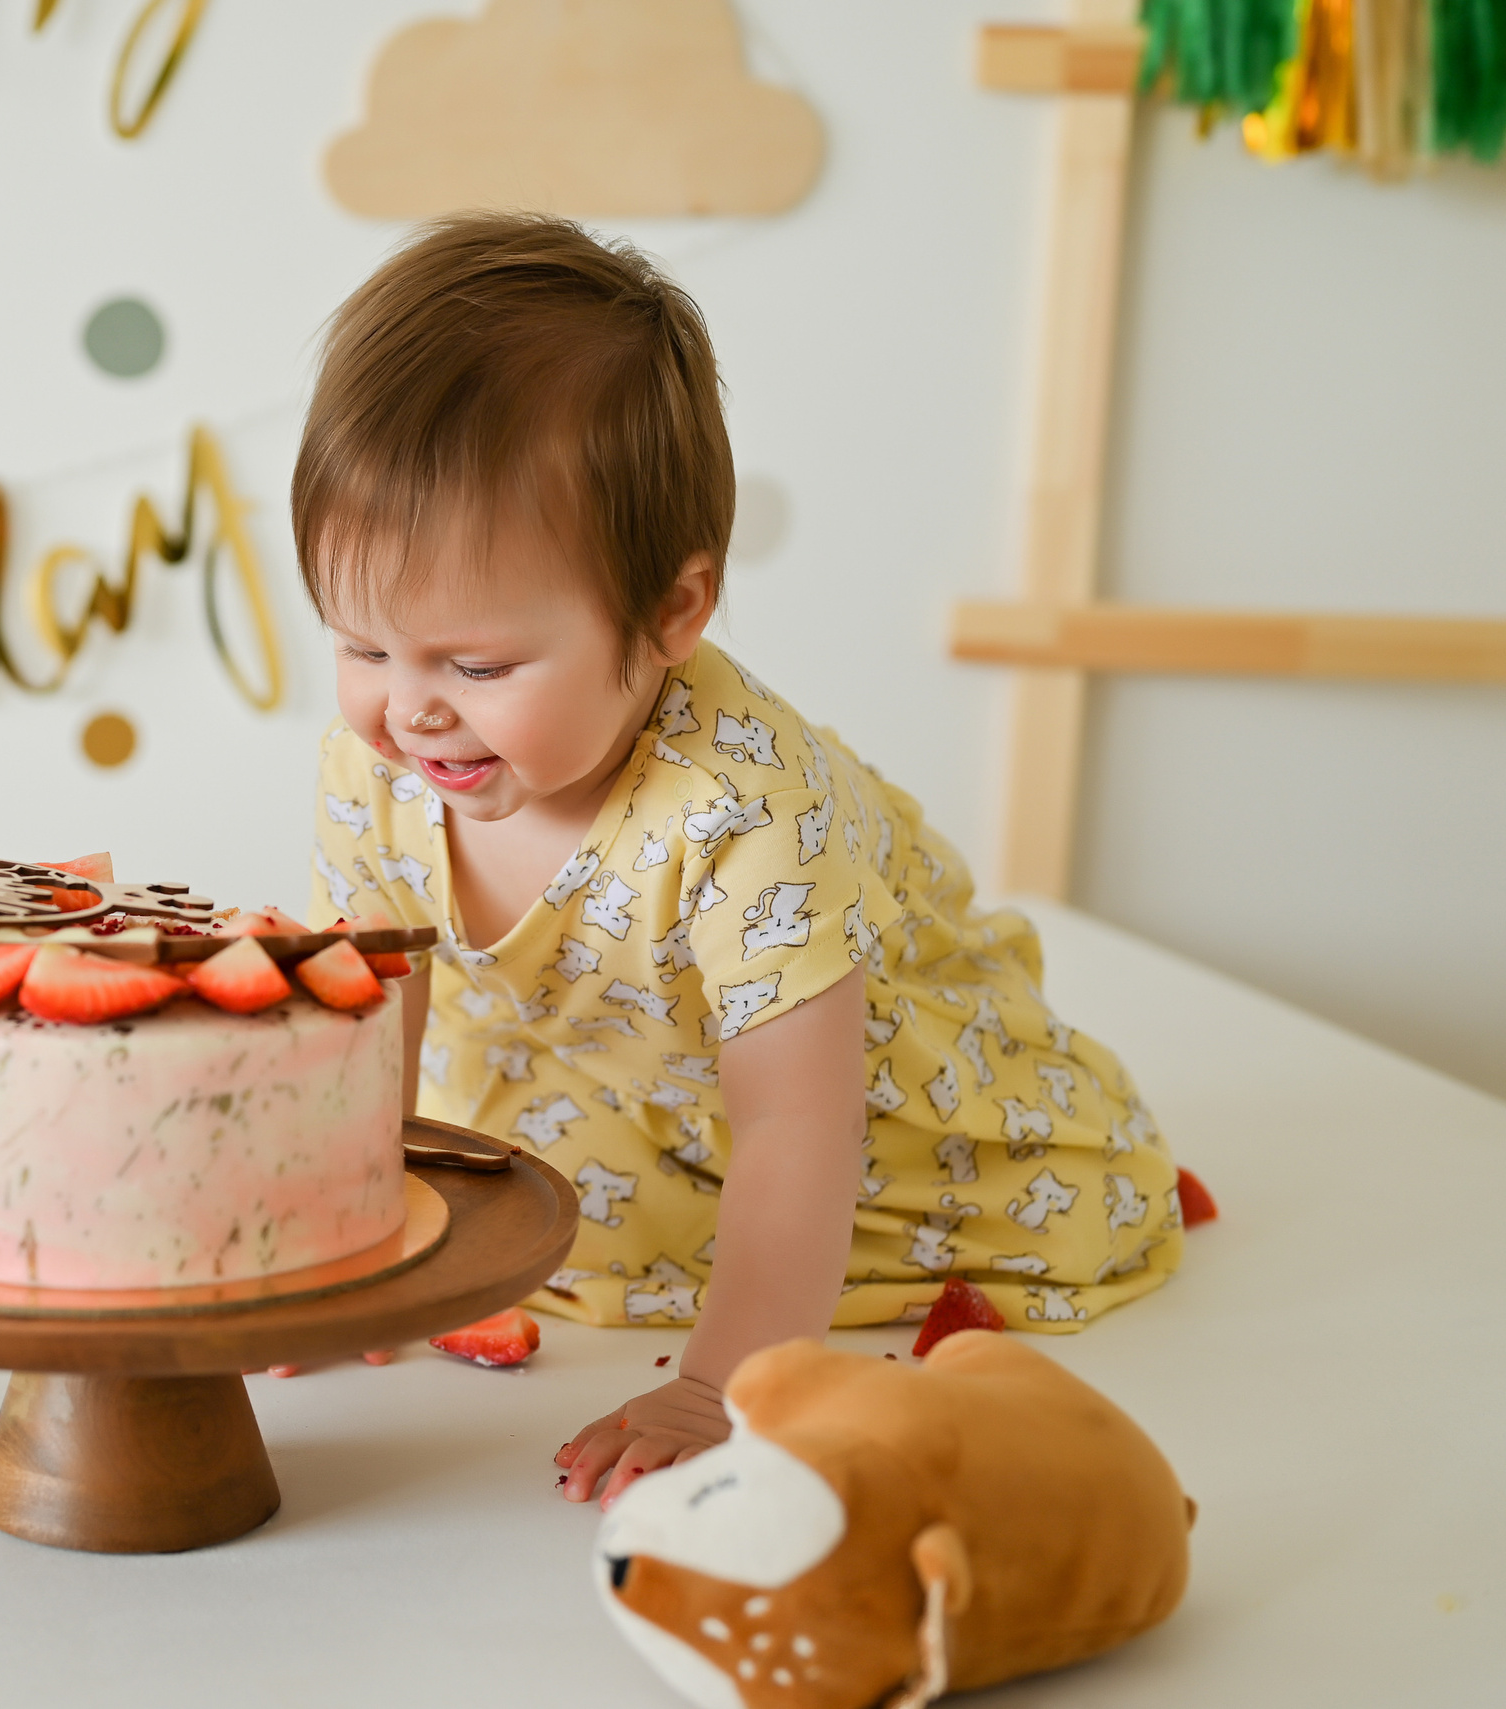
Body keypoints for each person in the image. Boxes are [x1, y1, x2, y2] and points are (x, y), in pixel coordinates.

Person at [295, 213, 1180, 1511]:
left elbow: (794, 1121)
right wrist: (355, 1240)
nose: (410, 710)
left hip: (861, 1160)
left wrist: (720, 1383)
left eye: (476, 666)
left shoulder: (740, 810)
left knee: (844, 1164)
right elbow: (374, 1023)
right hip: (617, 1117)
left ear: (672, 612)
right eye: (362, 645)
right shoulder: (379, 767)